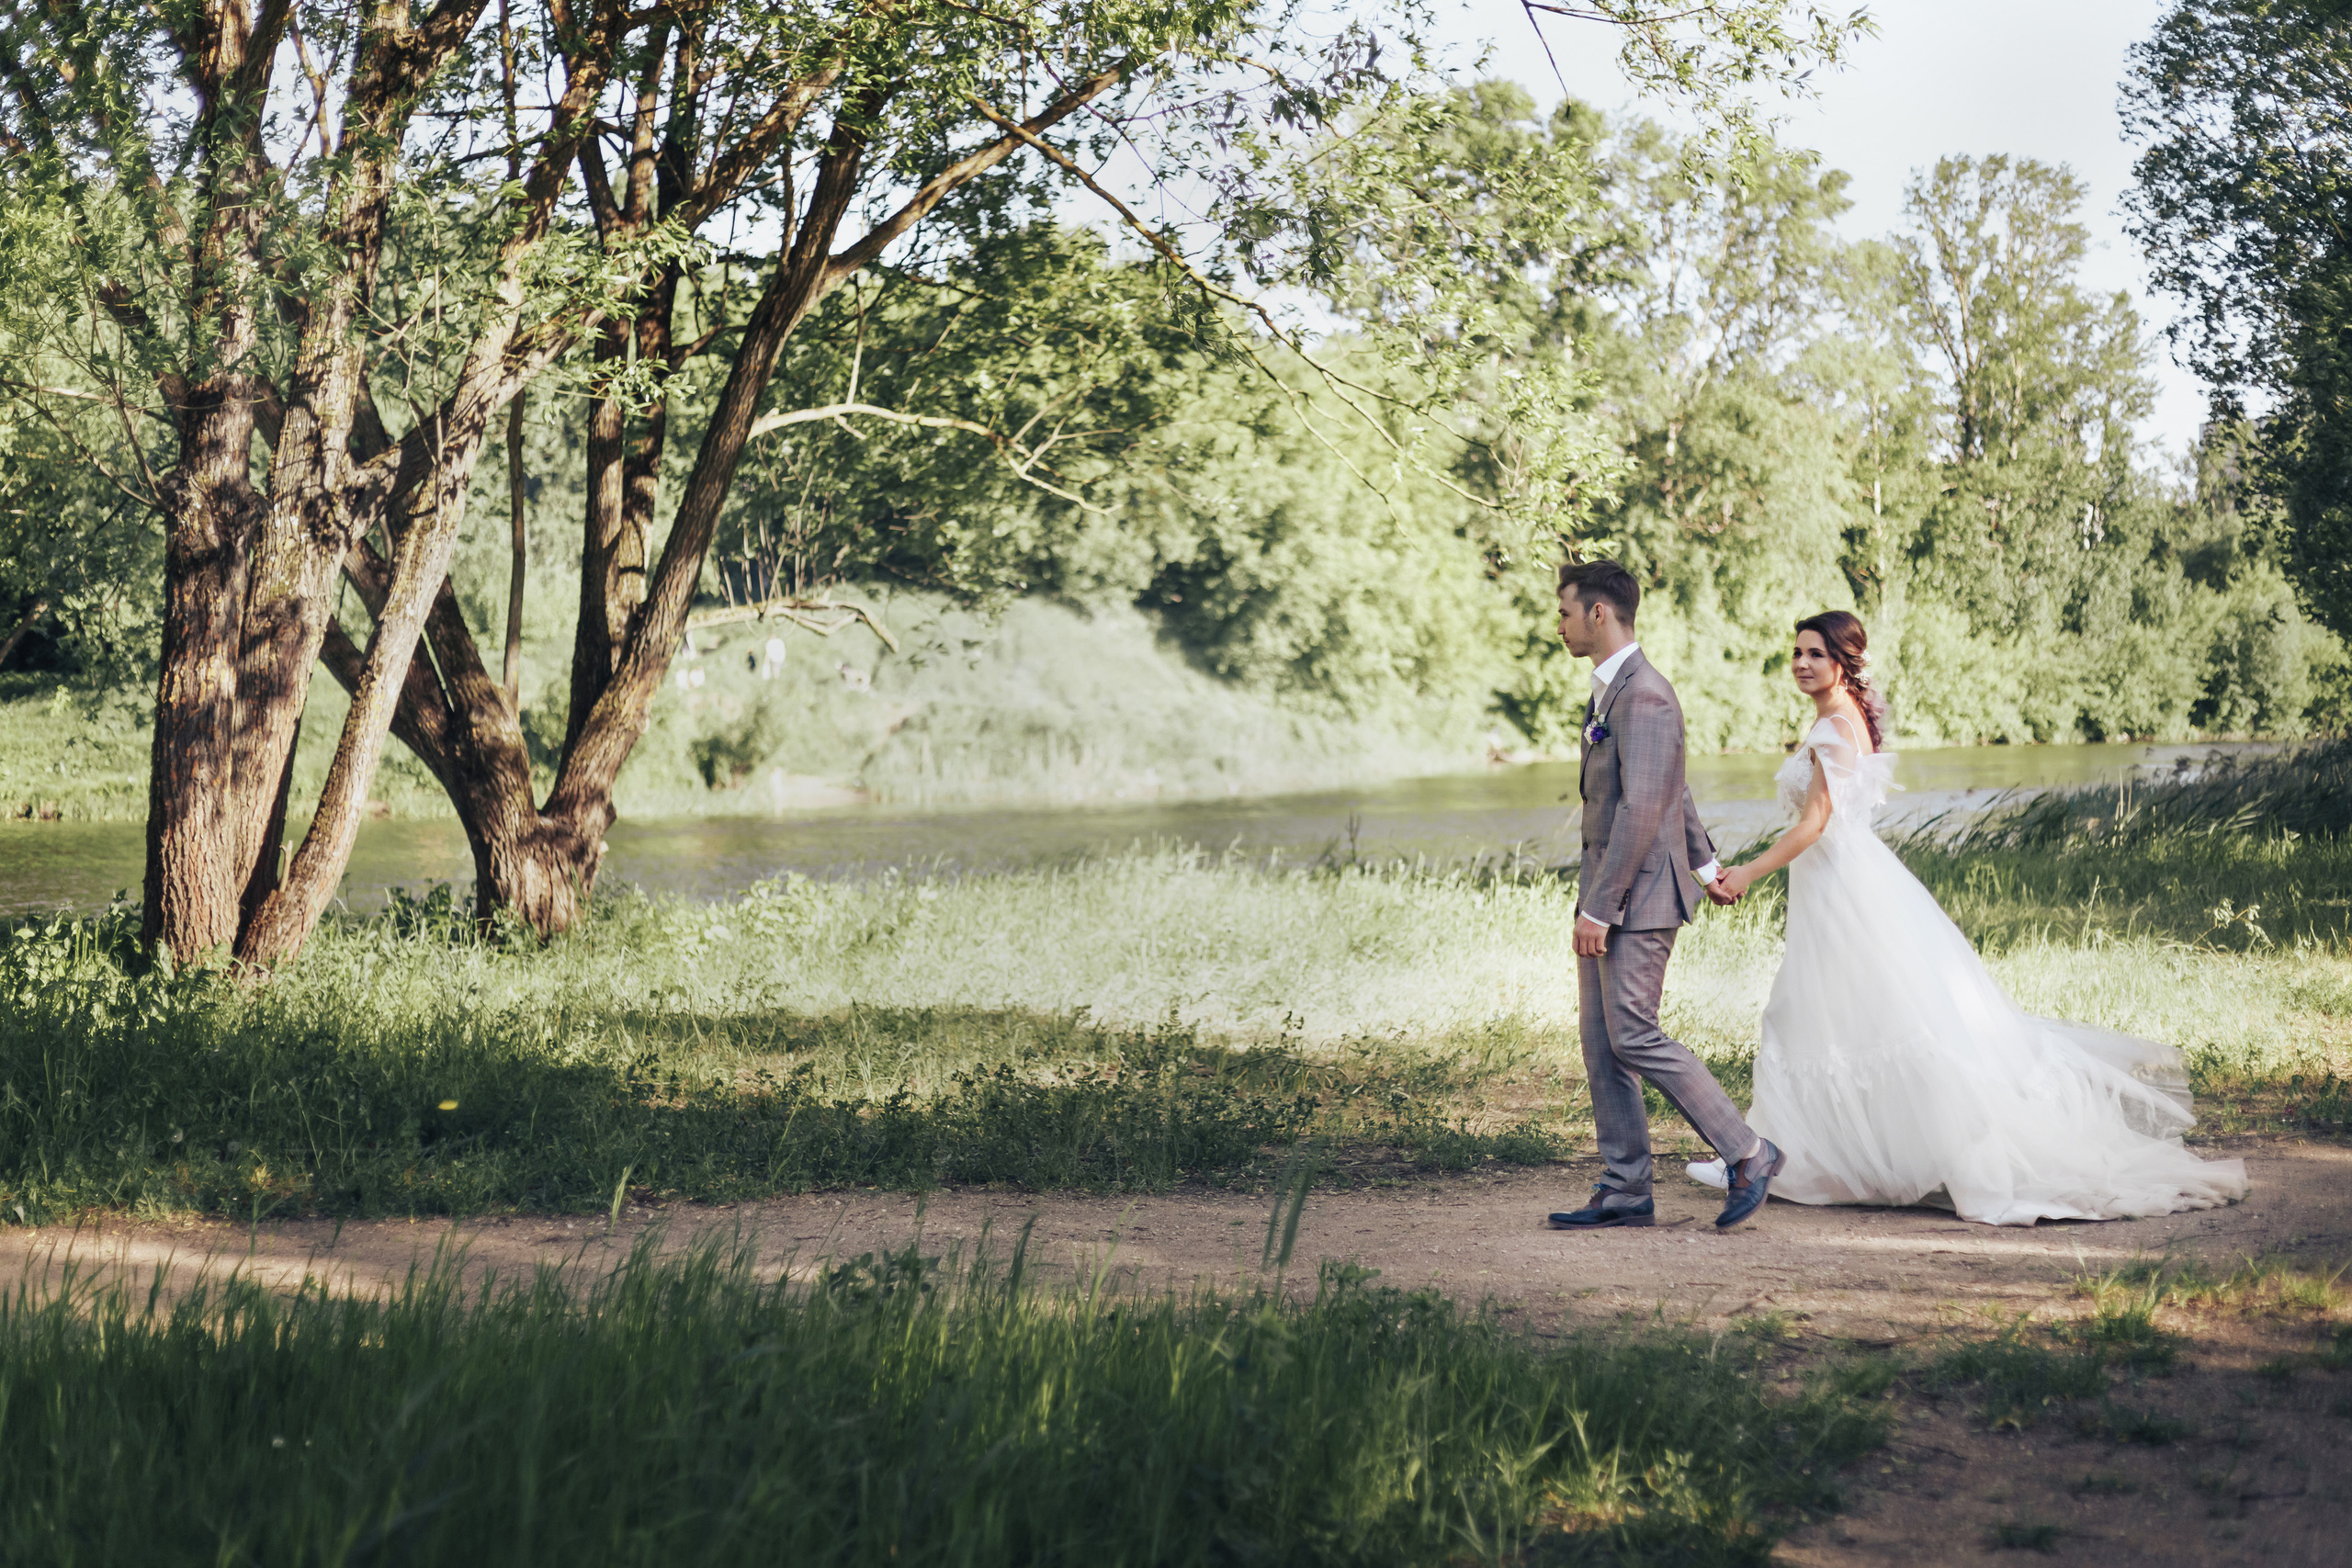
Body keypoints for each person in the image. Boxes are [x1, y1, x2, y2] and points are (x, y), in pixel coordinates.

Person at [1690, 611, 2249, 1225]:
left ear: (1843, 660)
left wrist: (1745, 872)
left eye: (1814, 653)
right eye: (1795, 652)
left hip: (1843, 887)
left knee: (1831, 1014)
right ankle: (1800, 1154)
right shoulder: (1840, 714)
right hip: (1841, 882)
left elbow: (1815, 823)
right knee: (1825, 1014)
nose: (1800, 663)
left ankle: (1799, 1155)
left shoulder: (1834, 725)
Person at [1546, 559, 1788, 1233]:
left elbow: (1646, 802)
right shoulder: (1615, 691)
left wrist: (1601, 906)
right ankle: (1625, 1188)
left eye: (1565, 610)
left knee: (1633, 1032)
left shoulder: (1644, 694)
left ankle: (1749, 1151)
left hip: (1637, 897)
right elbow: (1673, 786)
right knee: (1602, 1044)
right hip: (1610, 889)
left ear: (1599, 613)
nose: (1558, 624)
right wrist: (1708, 863)